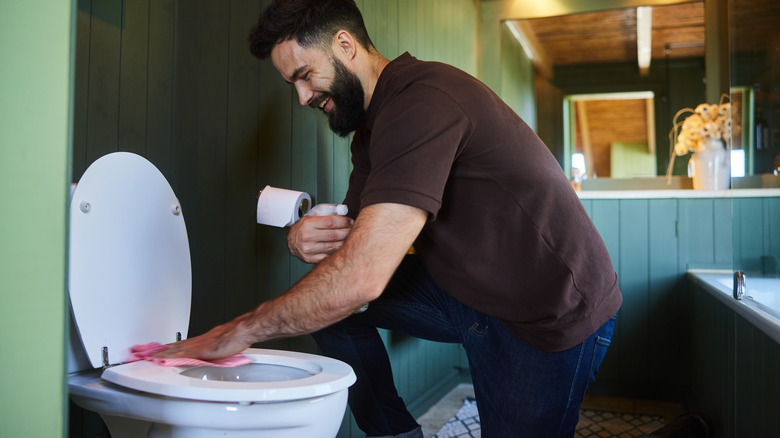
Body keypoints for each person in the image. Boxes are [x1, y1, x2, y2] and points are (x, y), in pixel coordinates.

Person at [158, 1, 622, 437]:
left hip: (548, 308)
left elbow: (361, 277)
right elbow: (354, 249)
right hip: (474, 295)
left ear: (345, 45)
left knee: (337, 293)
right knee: (323, 305)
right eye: (291, 85)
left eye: (304, 76)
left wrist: (236, 331)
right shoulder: (372, 127)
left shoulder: (424, 103)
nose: (301, 97)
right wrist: (301, 238)